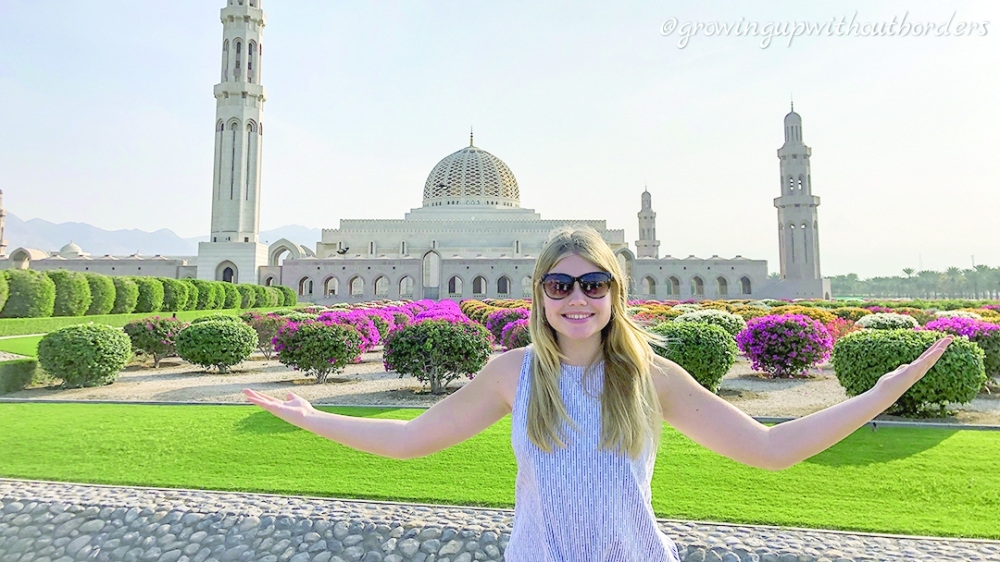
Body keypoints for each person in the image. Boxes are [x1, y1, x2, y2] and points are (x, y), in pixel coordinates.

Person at [244, 225, 952, 561]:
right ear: (540, 295)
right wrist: (314, 417)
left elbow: (768, 449)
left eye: (594, 284)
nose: (576, 299)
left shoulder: (649, 378)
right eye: (560, 285)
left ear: (616, 292)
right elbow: (406, 441)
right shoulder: (512, 374)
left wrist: (877, 395)